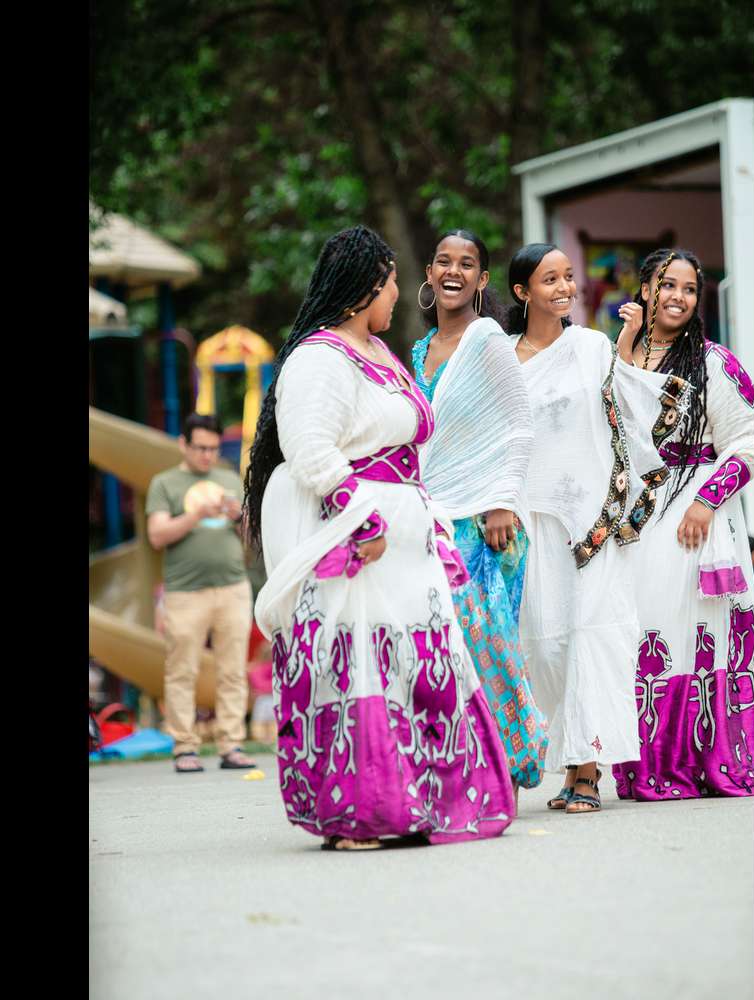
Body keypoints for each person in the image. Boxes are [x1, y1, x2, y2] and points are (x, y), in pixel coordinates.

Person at [244, 225, 516, 851]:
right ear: (368, 286)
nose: (399, 291)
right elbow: (310, 449)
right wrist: (360, 520)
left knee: (415, 668)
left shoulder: (379, 353)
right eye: (392, 280)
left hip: (404, 538)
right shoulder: (319, 358)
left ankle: (422, 802)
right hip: (356, 542)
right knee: (359, 668)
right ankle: (359, 814)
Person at [505, 242, 690, 814]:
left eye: (568, 278)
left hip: (594, 518)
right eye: (550, 279)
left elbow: (628, 401)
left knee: (593, 637)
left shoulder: (589, 347)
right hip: (533, 519)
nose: (565, 288)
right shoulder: (504, 359)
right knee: (545, 641)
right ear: (521, 291)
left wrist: (629, 344)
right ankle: (563, 760)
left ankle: (588, 770)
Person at [609, 248, 754, 800]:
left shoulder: (713, 362)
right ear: (645, 290)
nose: (678, 296)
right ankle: (648, 766)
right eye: (667, 285)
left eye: (690, 289)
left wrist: (707, 500)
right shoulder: (618, 357)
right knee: (645, 628)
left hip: (698, 522)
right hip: (637, 518)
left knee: (695, 630)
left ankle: (709, 761)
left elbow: (748, 441)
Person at [410, 229, 547, 797]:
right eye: (443, 260)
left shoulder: (488, 338)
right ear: (429, 271)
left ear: (483, 280)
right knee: (446, 648)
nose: (454, 271)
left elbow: (519, 425)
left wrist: (501, 503)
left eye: (467, 264)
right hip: (434, 520)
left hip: (488, 525)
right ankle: (464, 766)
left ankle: (516, 758)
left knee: (489, 647)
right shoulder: (418, 352)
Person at [146, 412, 256, 773]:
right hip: (185, 591)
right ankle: (184, 746)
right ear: (183, 444)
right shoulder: (166, 483)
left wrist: (238, 515)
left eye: (212, 448)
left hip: (233, 586)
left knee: (233, 670)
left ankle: (232, 743)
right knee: (182, 670)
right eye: (200, 448)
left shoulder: (228, 478)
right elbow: (157, 535)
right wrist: (196, 514)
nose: (207, 455)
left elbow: (252, 537)